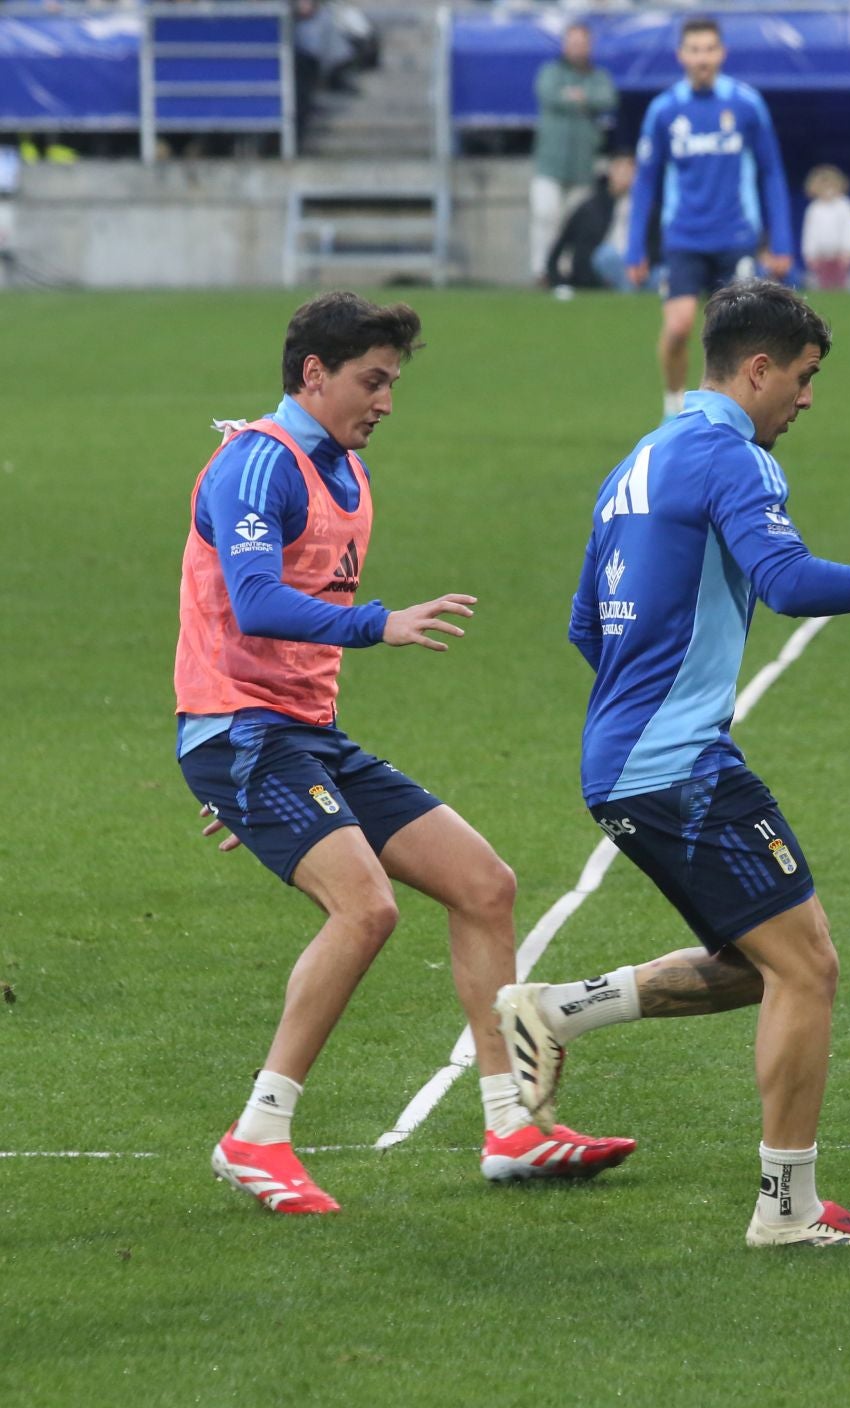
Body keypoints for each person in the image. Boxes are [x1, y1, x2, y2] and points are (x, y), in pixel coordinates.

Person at [493, 281, 850, 1247]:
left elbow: (582, 624)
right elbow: (785, 581)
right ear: (760, 368)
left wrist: (650, 699)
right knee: (809, 966)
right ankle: (788, 1208)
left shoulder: (639, 459)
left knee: (762, 963)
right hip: (677, 765)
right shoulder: (733, 455)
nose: (808, 400)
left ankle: (555, 1009)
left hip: (624, 759)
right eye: (805, 377)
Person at [180, 293, 633, 1214]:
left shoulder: (343, 469)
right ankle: (257, 1134)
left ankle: (511, 1124)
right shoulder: (254, 466)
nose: (386, 400)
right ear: (314, 373)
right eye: (371, 380)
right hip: (244, 732)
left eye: (393, 382)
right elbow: (257, 600)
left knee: (485, 884)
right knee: (366, 908)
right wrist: (379, 624)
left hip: (297, 741)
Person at [626, 17, 795, 422]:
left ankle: (735, 417)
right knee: (680, 328)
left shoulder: (746, 104)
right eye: (694, 50)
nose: (702, 58)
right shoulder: (664, 110)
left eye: (709, 49)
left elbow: (771, 172)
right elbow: (645, 181)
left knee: (739, 337)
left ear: (722, 53)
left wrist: (782, 241)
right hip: (684, 236)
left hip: (736, 236)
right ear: (681, 55)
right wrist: (635, 247)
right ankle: (673, 407)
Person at [531, 22, 616, 284]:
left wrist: (580, 97)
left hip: (582, 165)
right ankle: (542, 272)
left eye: (582, 43)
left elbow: (608, 99)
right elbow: (549, 95)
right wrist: (580, 99)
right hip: (550, 162)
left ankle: (565, 273)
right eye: (573, 42)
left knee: (574, 224)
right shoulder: (551, 71)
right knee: (545, 216)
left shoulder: (597, 75)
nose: (578, 48)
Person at [545, 155, 635, 294]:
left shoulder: (644, 208)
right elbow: (561, 244)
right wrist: (557, 279)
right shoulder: (590, 208)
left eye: (630, 173)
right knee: (607, 255)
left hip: (636, 267)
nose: (625, 178)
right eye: (621, 172)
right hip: (599, 274)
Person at [800, 164, 850, 291]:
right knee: (823, 286)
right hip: (821, 257)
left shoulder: (845, 205)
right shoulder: (814, 208)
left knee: (841, 285)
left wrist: (849, 250)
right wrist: (810, 254)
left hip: (841, 256)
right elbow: (810, 233)